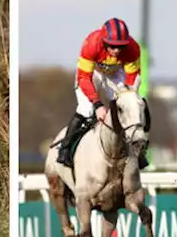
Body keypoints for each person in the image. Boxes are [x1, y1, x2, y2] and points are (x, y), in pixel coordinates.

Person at [58, 19, 146, 169]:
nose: (117, 50)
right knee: (86, 109)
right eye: (112, 46)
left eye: (120, 46)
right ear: (104, 42)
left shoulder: (132, 49)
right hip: (93, 74)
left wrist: (127, 98)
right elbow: (84, 77)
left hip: (116, 73)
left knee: (127, 107)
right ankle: (65, 148)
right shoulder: (92, 44)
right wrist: (97, 104)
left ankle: (137, 151)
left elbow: (132, 79)